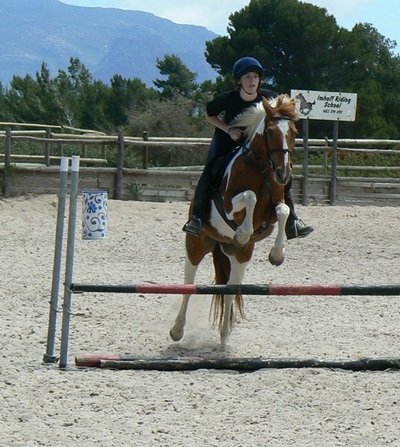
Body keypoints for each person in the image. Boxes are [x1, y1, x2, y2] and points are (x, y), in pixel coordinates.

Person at [182, 56, 313, 240]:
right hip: (227, 140)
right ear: (239, 81)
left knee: (284, 172)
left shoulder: (270, 97)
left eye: (255, 76)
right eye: (247, 77)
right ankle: (196, 218)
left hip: (255, 144)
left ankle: (292, 220)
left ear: (260, 79)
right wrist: (228, 129)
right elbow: (209, 115)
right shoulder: (227, 98)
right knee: (212, 169)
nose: (252, 81)